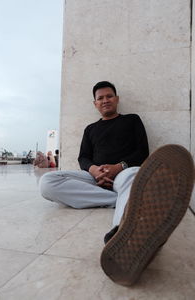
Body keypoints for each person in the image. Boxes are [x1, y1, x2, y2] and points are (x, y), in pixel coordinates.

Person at [40, 81, 194, 286]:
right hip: (94, 177)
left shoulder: (132, 120)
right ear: (95, 103)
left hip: (123, 172)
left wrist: (118, 167)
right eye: (101, 98)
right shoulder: (90, 129)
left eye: (109, 96)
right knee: (48, 181)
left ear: (117, 99)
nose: (105, 100)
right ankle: (126, 198)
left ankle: (120, 232)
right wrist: (94, 170)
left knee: (136, 175)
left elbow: (142, 152)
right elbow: (83, 158)